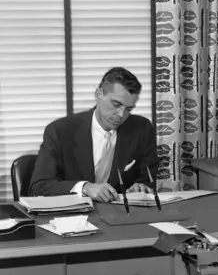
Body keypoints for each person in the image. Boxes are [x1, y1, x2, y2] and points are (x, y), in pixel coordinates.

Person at [29, 67, 158, 202]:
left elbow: (147, 179)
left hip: (120, 215)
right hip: (72, 216)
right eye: (116, 104)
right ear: (98, 95)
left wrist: (140, 188)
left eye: (128, 109)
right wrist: (84, 187)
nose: (121, 115)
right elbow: (39, 187)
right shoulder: (59, 131)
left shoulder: (142, 129)